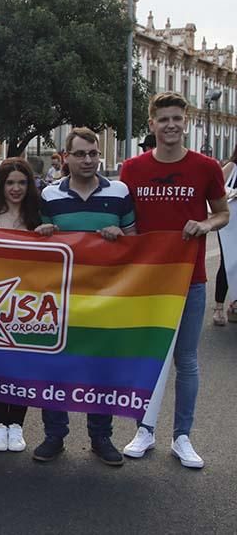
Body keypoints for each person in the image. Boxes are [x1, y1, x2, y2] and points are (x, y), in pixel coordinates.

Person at [120, 92, 229, 469]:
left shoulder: (206, 167)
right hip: (146, 281)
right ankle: (144, 429)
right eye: (163, 119)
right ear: (151, 124)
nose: (170, 125)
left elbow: (223, 214)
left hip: (190, 279)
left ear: (187, 123)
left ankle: (182, 436)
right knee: (147, 357)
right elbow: (124, 218)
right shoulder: (132, 169)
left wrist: (205, 224)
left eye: (177, 119)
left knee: (186, 360)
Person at [34, 127, 137, 466]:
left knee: (100, 369)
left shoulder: (120, 192)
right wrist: (44, 234)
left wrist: (121, 236)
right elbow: (37, 248)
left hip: (105, 297)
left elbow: (136, 243)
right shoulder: (49, 196)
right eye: (80, 154)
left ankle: (100, 437)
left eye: (93, 153)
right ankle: (54, 435)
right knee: (55, 367)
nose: (88, 160)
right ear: (65, 158)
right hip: (61, 299)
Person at [0, 157, 43, 453]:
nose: (16, 188)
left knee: (23, 367)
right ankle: (0, 424)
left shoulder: (37, 215)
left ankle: (17, 425)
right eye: (10, 182)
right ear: (0, 185)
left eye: (22, 182)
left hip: (30, 303)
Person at [211, 145, 237, 326]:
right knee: (228, 260)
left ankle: (234, 304)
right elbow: (216, 188)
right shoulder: (232, 167)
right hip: (231, 222)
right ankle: (219, 307)